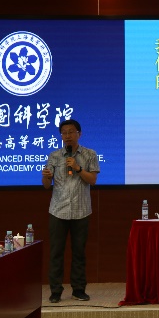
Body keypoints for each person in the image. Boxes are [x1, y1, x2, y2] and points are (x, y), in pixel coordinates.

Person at [41, 119, 100, 303]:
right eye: (64, 133)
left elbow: (92, 180)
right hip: (58, 210)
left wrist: (77, 168)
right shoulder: (54, 156)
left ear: (79, 134)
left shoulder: (90, 154)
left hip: (81, 211)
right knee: (56, 253)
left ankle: (79, 290)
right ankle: (55, 291)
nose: (67, 136)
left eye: (71, 132)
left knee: (79, 253)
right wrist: (46, 177)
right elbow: (46, 185)